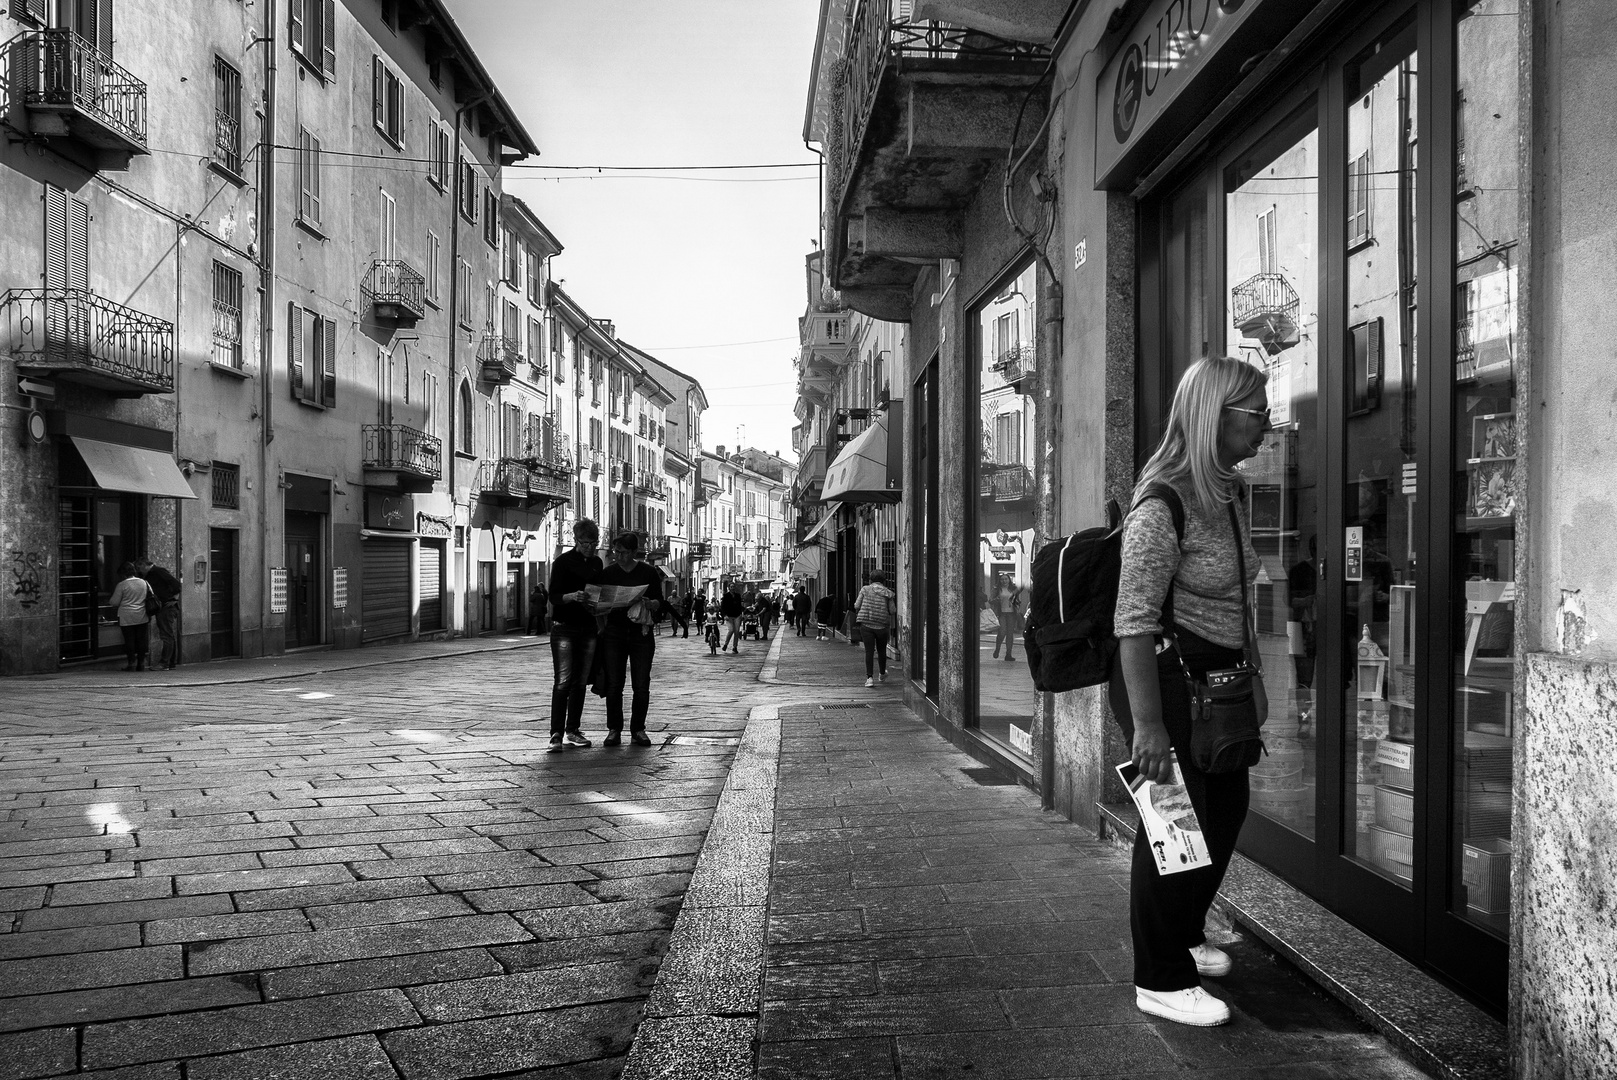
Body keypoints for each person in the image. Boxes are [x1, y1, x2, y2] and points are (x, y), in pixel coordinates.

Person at [1110, 355, 1269, 1028]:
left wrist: (1254, 678)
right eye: (1255, 414)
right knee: (1175, 829)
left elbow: (1238, 594)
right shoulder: (1163, 499)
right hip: (1165, 680)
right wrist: (1147, 729)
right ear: (1215, 417)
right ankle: (1160, 978)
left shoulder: (1228, 491)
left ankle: (1182, 935)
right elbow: (1132, 622)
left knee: (1225, 808)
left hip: (1219, 680)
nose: (1266, 425)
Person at [596, 531, 664, 746]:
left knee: (641, 684)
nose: (619, 556)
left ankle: (638, 729)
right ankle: (614, 729)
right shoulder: (608, 573)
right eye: (616, 552)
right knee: (614, 684)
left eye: (623, 552)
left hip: (640, 632)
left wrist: (652, 603)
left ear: (635, 552)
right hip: (614, 631)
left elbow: (659, 601)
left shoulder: (648, 572)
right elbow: (599, 603)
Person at [546, 519, 603, 753]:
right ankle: (556, 734)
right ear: (576, 540)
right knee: (563, 682)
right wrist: (573, 596)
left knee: (580, 682)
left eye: (593, 543)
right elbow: (554, 596)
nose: (590, 547)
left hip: (588, 626)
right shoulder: (562, 562)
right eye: (585, 543)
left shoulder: (598, 563)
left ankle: (573, 730)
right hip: (565, 627)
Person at [106, 562, 154, 672]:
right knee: (141, 640)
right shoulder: (144, 582)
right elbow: (151, 594)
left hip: (126, 616)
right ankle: (141, 663)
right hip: (142, 615)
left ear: (122, 574)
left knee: (129, 640)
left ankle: (131, 663)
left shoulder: (122, 585)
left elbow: (114, 602)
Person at [853, 571, 897, 687]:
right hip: (882, 626)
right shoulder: (888, 593)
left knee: (869, 651)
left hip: (866, 625)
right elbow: (892, 611)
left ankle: (869, 678)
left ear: (871, 580)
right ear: (883, 580)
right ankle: (882, 674)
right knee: (882, 651)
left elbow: (857, 605)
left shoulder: (865, 589)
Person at [137, 557, 182, 670]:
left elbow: (176, 584)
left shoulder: (158, 571)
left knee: (166, 635)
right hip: (164, 606)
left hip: (166, 606)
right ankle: (171, 662)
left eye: (139, 567)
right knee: (169, 634)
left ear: (143, 564)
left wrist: (174, 599)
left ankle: (164, 663)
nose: (139, 571)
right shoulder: (150, 574)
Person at [719, 586, 744, 653]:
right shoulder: (726, 596)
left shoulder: (737, 596)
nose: (733, 588)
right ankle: (725, 644)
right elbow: (723, 607)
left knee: (736, 632)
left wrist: (742, 613)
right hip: (729, 616)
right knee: (731, 630)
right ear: (729, 588)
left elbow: (740, 605)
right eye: (731, 587)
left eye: (733, 587)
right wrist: (724, 615)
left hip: (737, 615)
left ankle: (735, 647)